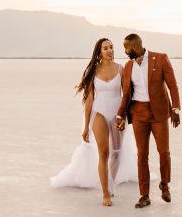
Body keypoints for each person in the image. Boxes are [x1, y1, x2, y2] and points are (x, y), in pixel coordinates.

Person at [50, 38, 136, 206]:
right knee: (103, 153)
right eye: (106, 48)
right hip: (99, 113)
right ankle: (105, 193)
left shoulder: (121, 69)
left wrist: (124, 116)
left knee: (116, 152)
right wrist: (85, 127)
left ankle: (110, 184)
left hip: (117, 113)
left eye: (111, 47)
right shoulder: (93, 70)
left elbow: (127, 95)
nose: (110, 50)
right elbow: (89, 100)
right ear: (99, 52)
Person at [115, 33, 181, 208]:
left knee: (164, 151)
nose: (125, 51)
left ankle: (164, 184)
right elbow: (126, 94)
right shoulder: (128, 67)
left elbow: (172, 84)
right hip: (139, 114)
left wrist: (175, 108)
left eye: (126, 47)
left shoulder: (160, 59)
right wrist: (120, 115)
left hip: (159, 113)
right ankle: (144, 195)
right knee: (142, 155)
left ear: (136, 46)